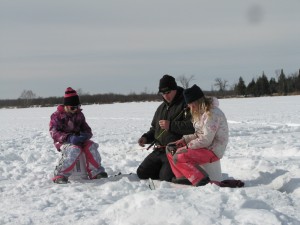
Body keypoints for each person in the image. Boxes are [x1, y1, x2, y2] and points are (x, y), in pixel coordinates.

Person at [166, 84, 229, 186]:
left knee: (179, 156)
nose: (190, 107)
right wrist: (184, 140)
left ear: (198, 101)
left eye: (191, 104)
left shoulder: (212, 114)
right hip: (204, 147)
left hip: (212, 150)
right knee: (170, 149)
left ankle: (201, 180)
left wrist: (187, 146)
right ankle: (183, 177)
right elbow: (199, 134)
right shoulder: (200, 113)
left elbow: (206, 140)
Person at [137, 75, 195, 181]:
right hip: (159, 150)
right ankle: (163, 170)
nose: (166, 96)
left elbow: (192, 127)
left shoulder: (186, 105)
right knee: (142, 173)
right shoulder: (161, 108)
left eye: (168, 92)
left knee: (165, 177)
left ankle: (175, 173)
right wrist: (146, 138)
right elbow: (155, 129)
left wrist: (171, 125)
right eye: (163, 93)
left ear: (175, 89)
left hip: (175, 151)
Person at [49, 87, 107, 184]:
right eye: (73, 107)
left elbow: (87, 129)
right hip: (63, 141)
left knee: (91, 146)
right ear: (66, 106)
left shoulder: (79, 115)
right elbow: (53, 132)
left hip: (78, 139)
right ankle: (60, 174)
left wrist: (85, 135)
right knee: (74, 149)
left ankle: (96, 172)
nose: (76, 109)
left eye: (78, 106)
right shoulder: (56, 116)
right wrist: (68, 137)